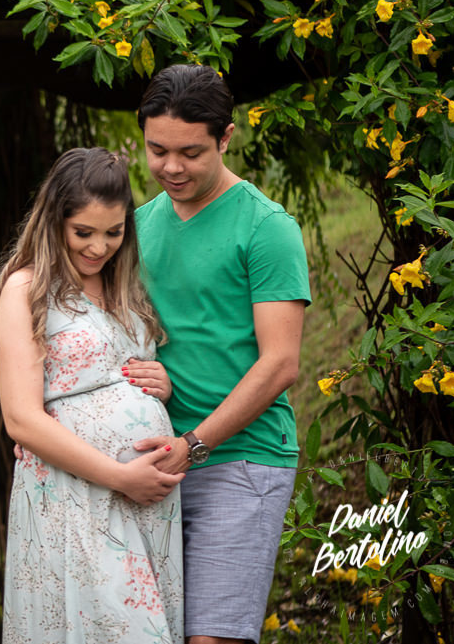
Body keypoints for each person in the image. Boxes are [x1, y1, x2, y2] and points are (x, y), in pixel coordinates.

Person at [130, 64, 311, 644]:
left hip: (241, 458)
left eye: (191, 152)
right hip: (150, 463)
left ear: (226, 138)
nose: (172, 167)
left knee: (212, 639)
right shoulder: (134, 227)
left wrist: (195, 445)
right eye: (157, 150)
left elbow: (280, 363)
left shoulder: (267, 227)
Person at [0, 147, 185, 644]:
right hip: (79, 496)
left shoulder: (124, 288)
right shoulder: (27, 290)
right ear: (55, 222)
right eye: (84, 233)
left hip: (147, 503)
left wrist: (160, 384)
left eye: (113, 232)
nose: (99, 247)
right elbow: (23, 420)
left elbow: (115, 371)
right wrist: (121, 476)